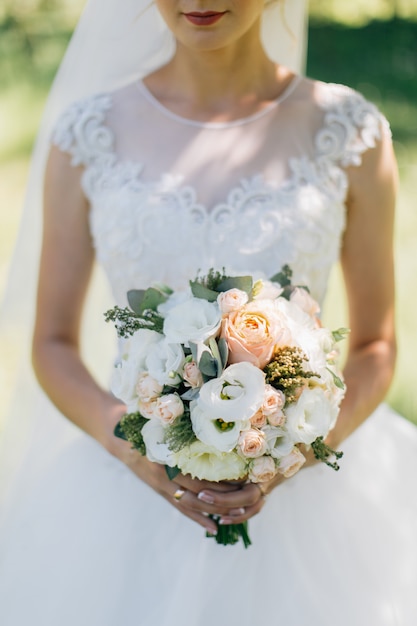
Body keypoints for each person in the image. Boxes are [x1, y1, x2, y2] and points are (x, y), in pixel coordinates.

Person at [0, 1, 416, 624]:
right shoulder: (87, 134)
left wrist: (292, 451)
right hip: (126, 494)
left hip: (312, 497)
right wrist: (137, 450)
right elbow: (53, 341)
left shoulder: (347, 131)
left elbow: (377, 343)